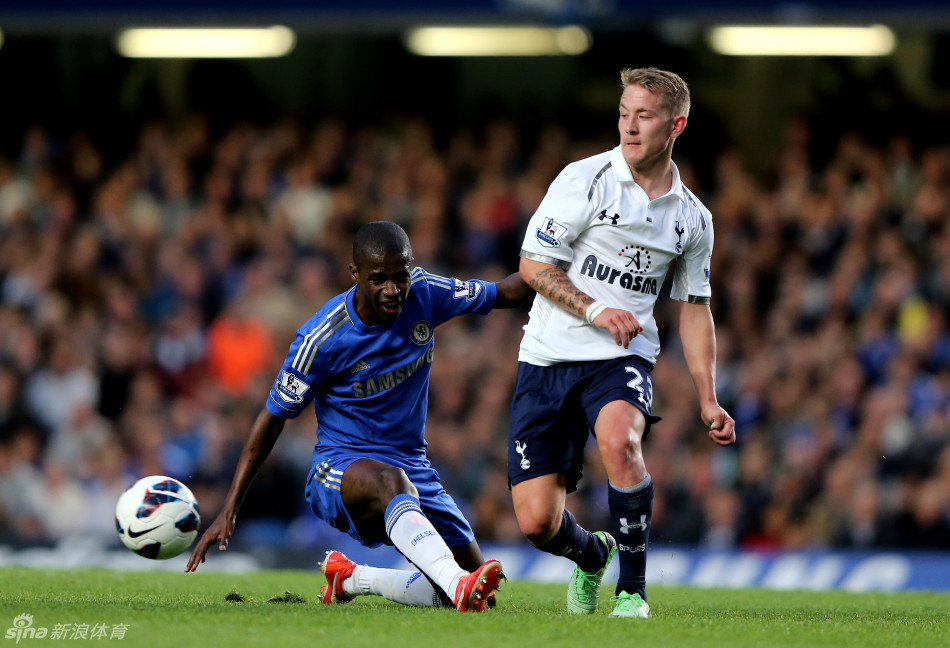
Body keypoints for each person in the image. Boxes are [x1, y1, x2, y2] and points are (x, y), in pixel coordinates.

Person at [186, 221, 531, 612]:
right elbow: (272, 418)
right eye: (378, 279)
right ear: (355, 274)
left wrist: (563, 270)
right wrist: (230, 506)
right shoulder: (321, 338)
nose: (392, 290)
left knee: (476, 590)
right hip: (339, 470)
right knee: (396, 490)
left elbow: (508, 291)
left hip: (411, 468)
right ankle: (457, 584)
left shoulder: (425, 293)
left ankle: (353, 578)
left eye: (400, 277)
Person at [508, 67, 736, 618]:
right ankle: (592, 556)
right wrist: (593, 308)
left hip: (622, 358)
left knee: (621, 443)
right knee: (537, 523)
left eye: (645, 116)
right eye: (623, 113)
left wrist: (707, 395)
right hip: (547, 356)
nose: (629, 127)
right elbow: (533, 264)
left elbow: (695, 309)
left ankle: (632, 593)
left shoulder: (692, 220)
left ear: (676, 124)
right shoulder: (583, 180)